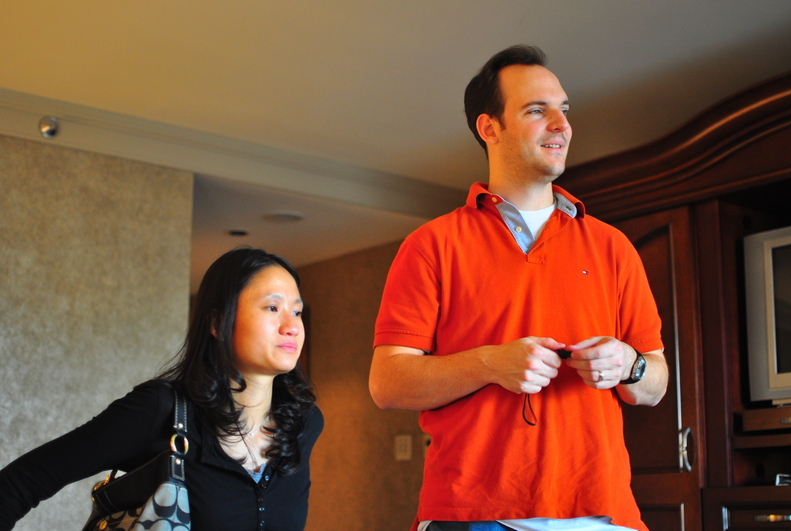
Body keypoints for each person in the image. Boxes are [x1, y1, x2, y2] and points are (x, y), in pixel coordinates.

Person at [369, 45, 668, 531]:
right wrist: (490, 363)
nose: (561, 124)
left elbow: (655, 383)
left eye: (564, 109)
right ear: (490, 128)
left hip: (604, 514)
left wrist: (628, 364)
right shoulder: (430, 245)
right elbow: (387, 383)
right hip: (472, 516)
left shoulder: (613, 246)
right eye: (536, 110)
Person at [0, 247, 323, 531]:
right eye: (272, 308)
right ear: (217, 323)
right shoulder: (161, 409)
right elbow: (21, 483)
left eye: (296, 312)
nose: (292, 327)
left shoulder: (304, 424)